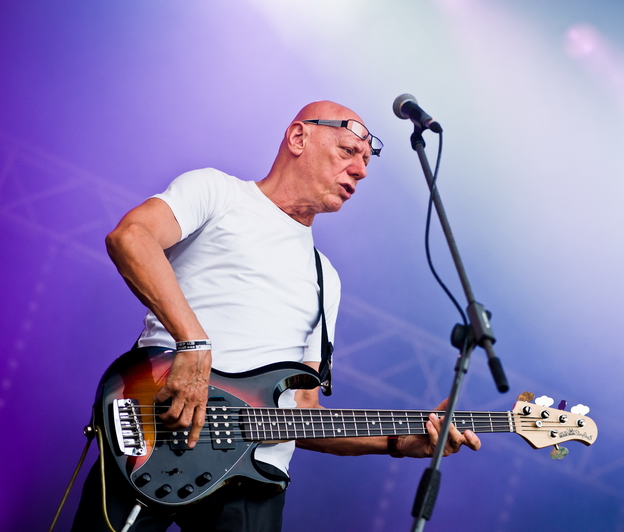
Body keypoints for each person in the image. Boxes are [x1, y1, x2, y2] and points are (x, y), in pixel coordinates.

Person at [70, 100, 481, 531]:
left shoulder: (326, 278)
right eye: (347, 151)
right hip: (154, 433)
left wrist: (398, 442)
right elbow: (131, 237)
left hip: (253, 481)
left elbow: (303, 411)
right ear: (299, 137)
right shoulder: (217, 192)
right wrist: (193, 341)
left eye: (365, 161)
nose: (360, 170)